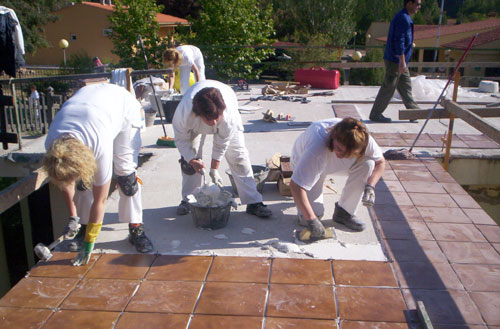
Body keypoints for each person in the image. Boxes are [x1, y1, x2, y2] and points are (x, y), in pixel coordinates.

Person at [43, 83, 153, 266]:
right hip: (92, 107)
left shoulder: (99, 144)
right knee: (82, 183)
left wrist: (90, 242)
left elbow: (100, 200)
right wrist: (73, 217)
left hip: (123, 109)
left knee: (126, 177)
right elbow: (65, 181)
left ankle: (136, 228)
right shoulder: (52, 147)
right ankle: (83, 226)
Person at [172, 79, 272, 218]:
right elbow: (181, 140)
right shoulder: (184, 114)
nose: (213, 123)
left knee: (238, 156)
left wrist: (214, 169)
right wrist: (192, 160)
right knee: (189, 164)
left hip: (227, 110)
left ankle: (253, 201)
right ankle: (189, 200)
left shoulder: (228, 115)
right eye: (209, 119)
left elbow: (221, 143)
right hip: (193, 125)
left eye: (216, 117)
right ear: (198, 114)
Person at [290, 117, 385, 239]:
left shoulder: (363, 139)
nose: (342, 155)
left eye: (349, 153)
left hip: (329, 159)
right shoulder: (317, 147)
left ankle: (344, 212)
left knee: (368, 163)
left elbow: (380, 163)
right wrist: (312, 220)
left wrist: (370, 186)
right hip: (305, 161)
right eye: (340, 149)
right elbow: (296, 186)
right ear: (334, 135)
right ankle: (311, 215)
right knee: (307, 219)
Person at [369, 0, 422, 123]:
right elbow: (399, 40)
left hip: (398, 59)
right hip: (396, 60)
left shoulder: (404, 17)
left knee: (405, 86)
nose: (419, 7)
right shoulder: (403, 19)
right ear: (409, 3)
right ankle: (376, 114)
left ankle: (413, 112)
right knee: (389, 87)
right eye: (417, 4)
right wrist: (402, 61)